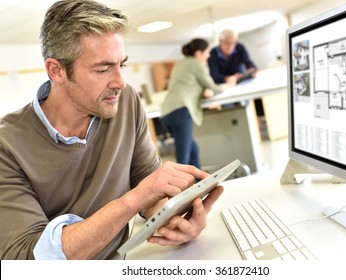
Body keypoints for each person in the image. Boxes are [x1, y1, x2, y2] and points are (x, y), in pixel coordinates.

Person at [0, 0, 223, 260]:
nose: (120, 82)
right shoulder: (7, 146)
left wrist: (175, 220)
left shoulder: (125, 101)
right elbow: (27, 260)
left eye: (122, 65)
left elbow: (147, 186)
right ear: (56, 70)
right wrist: (135, 199)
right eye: (104, 69)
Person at [160, 38, 225, 169]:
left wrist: (204, 92)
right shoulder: (197, 64)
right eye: (207, 52)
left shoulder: (180, 64)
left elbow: (187, 86)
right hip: (180, 112)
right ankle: (180, 189)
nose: (209, 55)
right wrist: (228, 84)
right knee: (182, 160)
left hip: (166, 114)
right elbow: (213, 86)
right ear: (199, 53)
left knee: (193, 150)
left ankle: (202, 184)